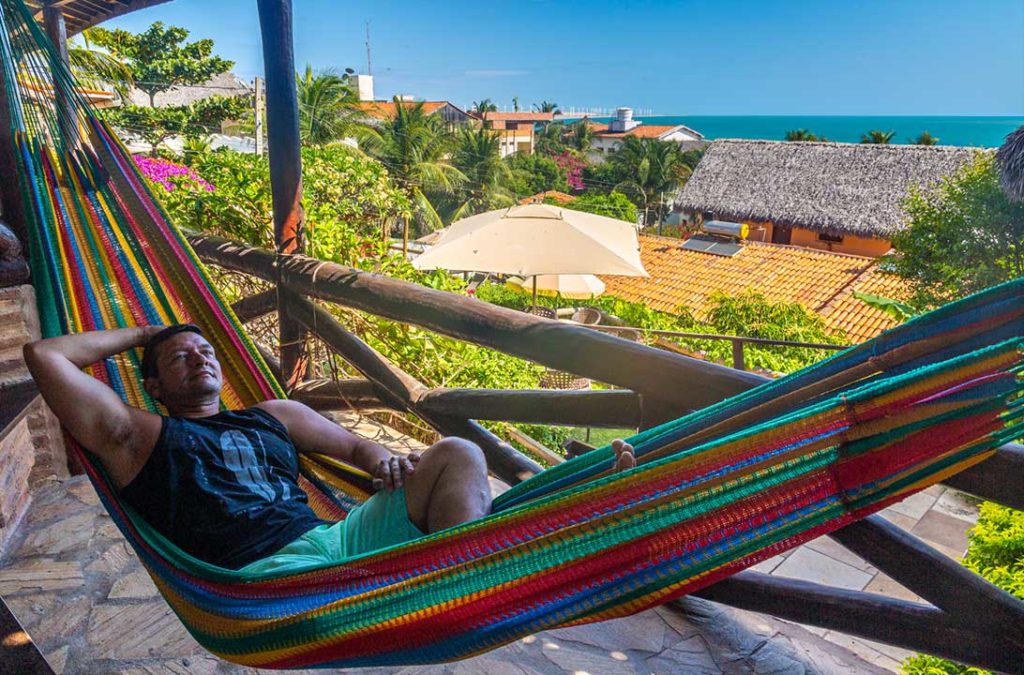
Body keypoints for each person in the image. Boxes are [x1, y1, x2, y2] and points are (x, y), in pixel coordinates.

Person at [23, 324, 637, 573]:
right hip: (267, 576)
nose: (199, 356)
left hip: (337, 539)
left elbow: (357, 446)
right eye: (179, 357)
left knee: (457, 451)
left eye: (206, 349)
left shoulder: (273, 415)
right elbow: (44, 356)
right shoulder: (139, 436)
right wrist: (145, 332)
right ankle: (553, 531)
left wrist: (384, 460)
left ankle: (469, 572)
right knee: (485, 521)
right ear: (153, 385)